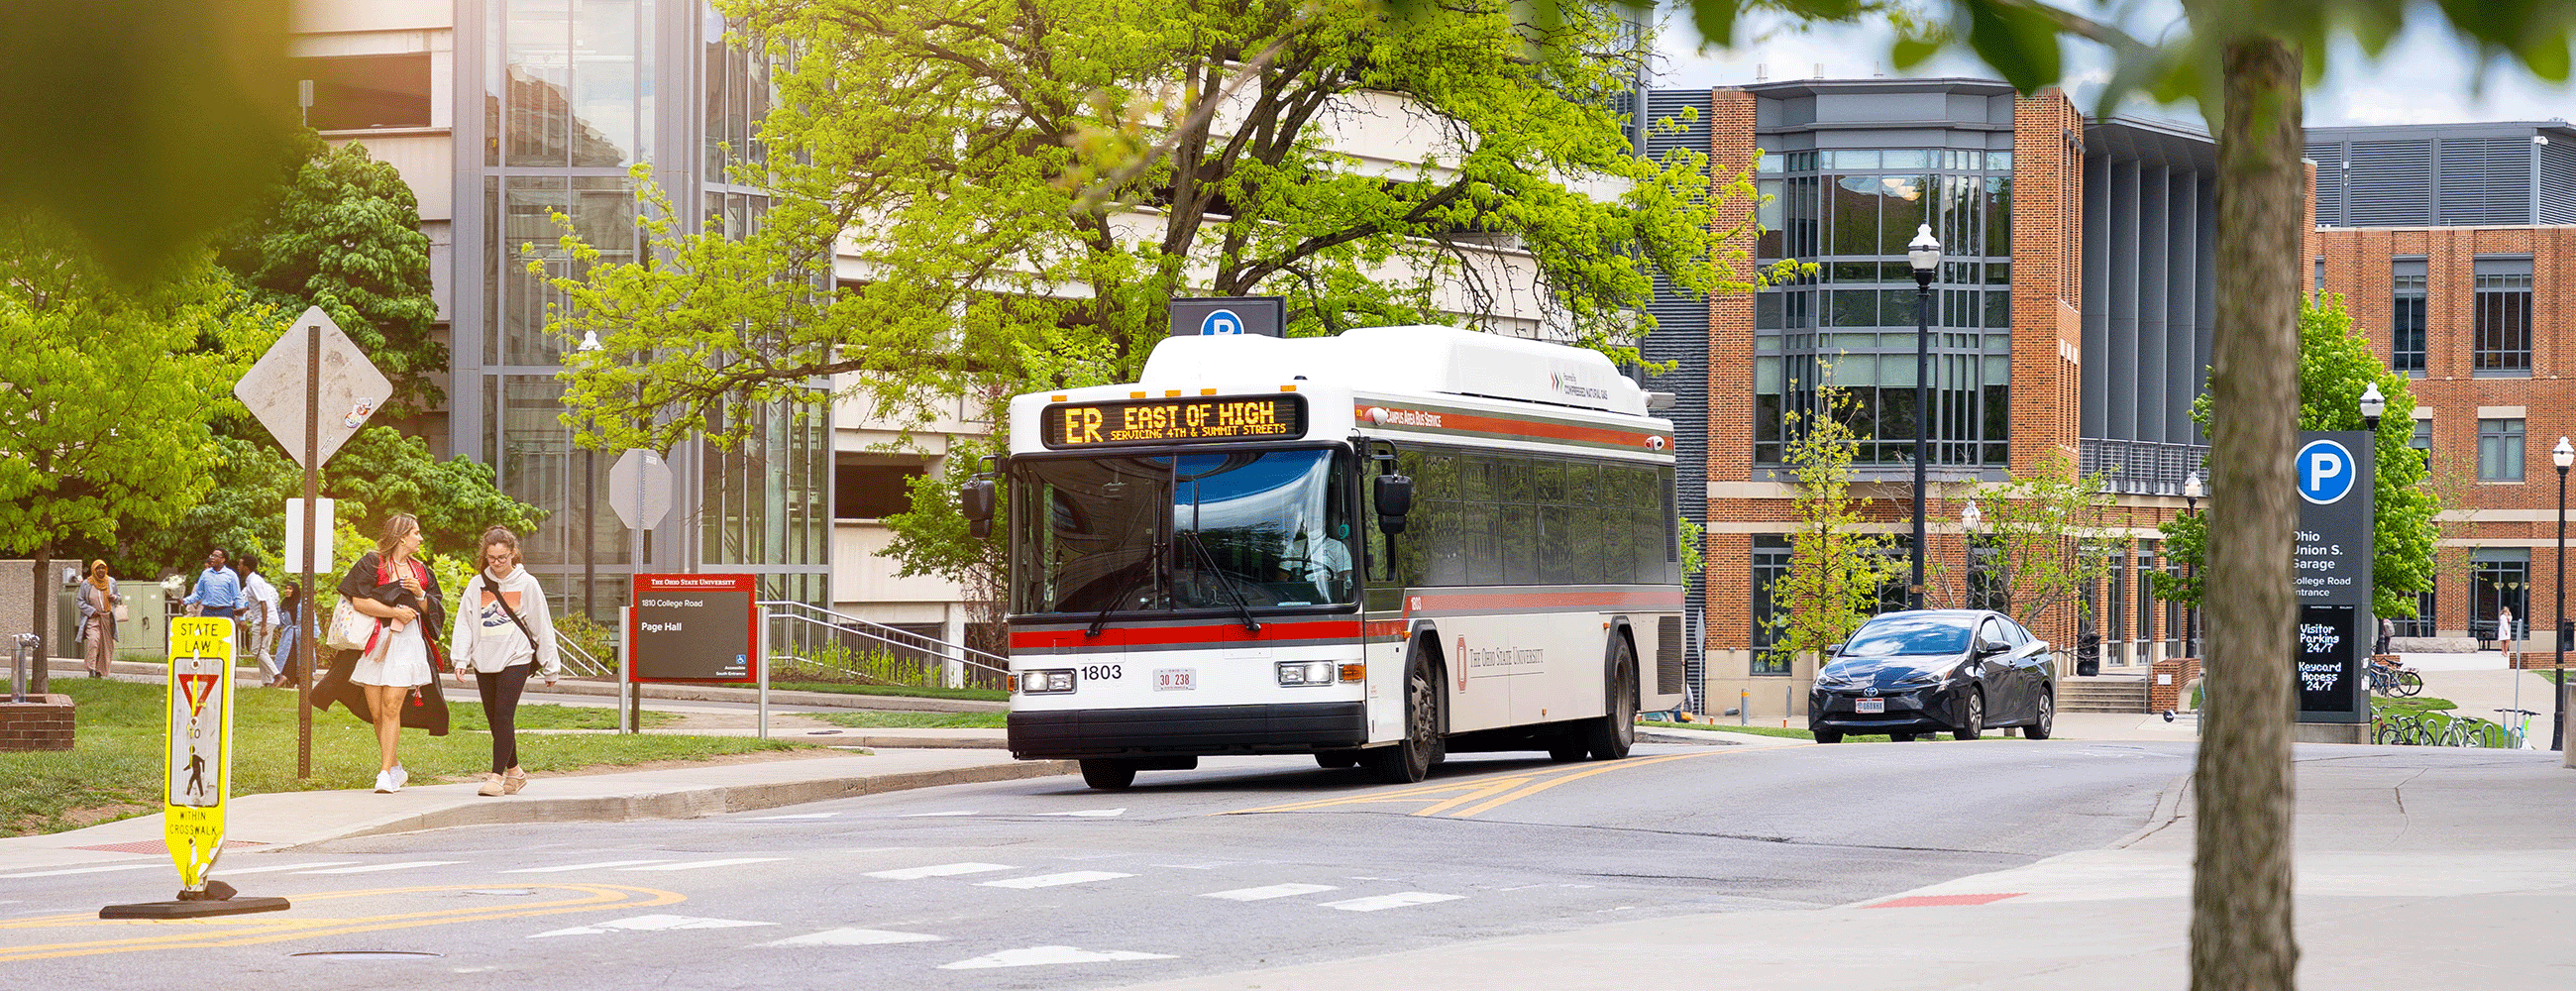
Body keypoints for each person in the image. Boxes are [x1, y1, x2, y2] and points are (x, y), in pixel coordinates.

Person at [337, 514, 446, 794]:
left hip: (407, 644)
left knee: (391, 706)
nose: (420, 538)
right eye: (416, 533)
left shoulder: (421, 571)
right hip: (376, 642)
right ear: (401, 537)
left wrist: (421, 594)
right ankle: (395, 766)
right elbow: (359, 601)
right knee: (376, 712)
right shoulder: (372, 563)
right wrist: (394, 611)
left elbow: (434, 610)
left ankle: (384, 773)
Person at [449, 526, 560, 797]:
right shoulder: (478, 584)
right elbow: (464, 622)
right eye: (491, 558)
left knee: (503, 715)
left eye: (502, 558)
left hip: (516, 656)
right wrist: (460, 657)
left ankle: (496, 777)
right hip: (484, 658)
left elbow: (541, 625)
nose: (497, 564)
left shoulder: (527, 584)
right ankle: (516, 772)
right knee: (495, 720)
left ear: (513, 554)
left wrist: (550, 665)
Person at [238, 553, 280, 685]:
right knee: (263, 651)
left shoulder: (254, 581)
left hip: (265, 620)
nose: (238, 567)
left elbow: (263, 603)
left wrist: (263, 625)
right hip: (265, 619)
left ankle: (278, 676)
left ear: (246, 567)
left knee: (257, 650)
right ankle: (267, 682)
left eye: (240, 564)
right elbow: (255, 603)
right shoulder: (251, 580)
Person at [75, 560, 122, 678]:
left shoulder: (111, 582)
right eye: (98, 568)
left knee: (106, 646)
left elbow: (119, 597)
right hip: (93, 618)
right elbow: (79, 600)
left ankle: (100, 672)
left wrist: (114, 597)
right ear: (93, 570)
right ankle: (91, 668)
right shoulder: (87, 583)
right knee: (93, 641)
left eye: (103, 568)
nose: (100, 570)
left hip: (107, 618)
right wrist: (91, 611)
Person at [181, 548, 241, 620]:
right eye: (212, 556)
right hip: (207, 611)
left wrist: (242, 618)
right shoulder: (205, 574)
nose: (212, 558)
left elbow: (237, 597)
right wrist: (185, 601)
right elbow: (198, 594)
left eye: (216, 556)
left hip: (225, 612)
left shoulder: (231, 575)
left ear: (223, 560)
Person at [271, 581, 307, 688]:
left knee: (300, 657)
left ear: (295, 591)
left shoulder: (302, 604)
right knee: (286, 657)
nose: (287, 591)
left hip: (300, 636)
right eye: (286, 588)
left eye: (290, 589)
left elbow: (311, 619)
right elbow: (279, 622)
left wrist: (314, 634)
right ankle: (286, 679)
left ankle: (299, 681)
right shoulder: (284, 605)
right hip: (288, 636)